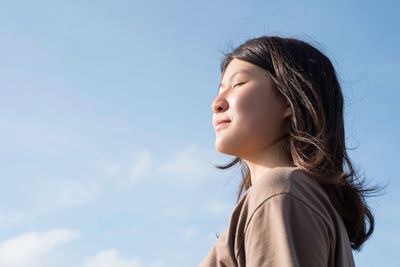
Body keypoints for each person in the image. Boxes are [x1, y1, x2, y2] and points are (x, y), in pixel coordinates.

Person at [198, 36, 376, 267]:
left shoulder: (280, 192)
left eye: (238, 84)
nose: (217, 103)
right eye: (220, 89)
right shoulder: (291, 195)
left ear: (289, 101)